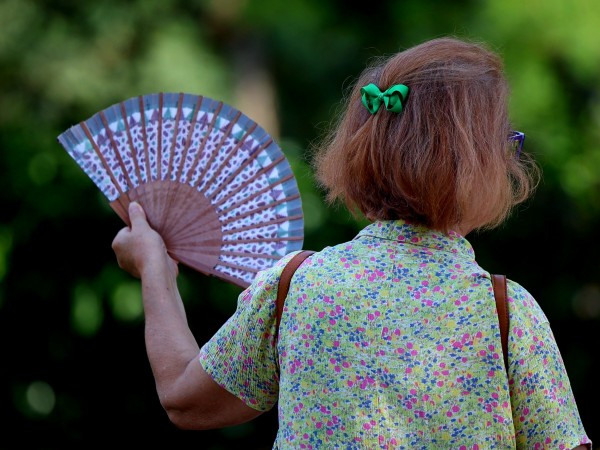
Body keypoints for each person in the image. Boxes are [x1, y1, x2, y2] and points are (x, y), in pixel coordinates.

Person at [111, 37, 592, 449]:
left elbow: (184, 399)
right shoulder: (507, 312)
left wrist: (156, 268)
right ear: (475, 165)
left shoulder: (295, 287)